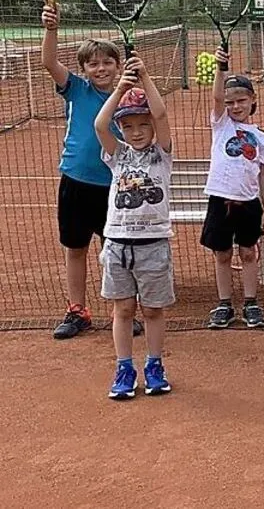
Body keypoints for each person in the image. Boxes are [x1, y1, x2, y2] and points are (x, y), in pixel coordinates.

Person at [40, 4, 143, 340]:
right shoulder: (76, 89)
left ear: (118, 66)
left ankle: (123, 311)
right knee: (76, 248)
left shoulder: (130, 96)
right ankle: (77, 311)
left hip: (116, 185)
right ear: (83, 69)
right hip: (75, 181)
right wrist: (51, 29)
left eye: (107, 62)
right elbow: (49, 62)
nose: (101, 68)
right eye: (93, 64)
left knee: (118, 250)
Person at [93, 56, 174, 399]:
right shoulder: (118, 155)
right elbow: (100, 124)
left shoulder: (162, 154)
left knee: (153, 310)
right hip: (117, 244)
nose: (137, 132)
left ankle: (154, 365)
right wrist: (121, 88)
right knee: (123, 309)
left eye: (143, 125)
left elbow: (162, 114)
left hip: (153, 244)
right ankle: (124, 367)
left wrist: (145, 78)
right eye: (129, 126)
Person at [201, 48, 264, 330]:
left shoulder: (261, 137)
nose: (235, 106)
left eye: (241, 100)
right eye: (230, 102)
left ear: (253, 100)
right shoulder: (221, 125)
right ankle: (224, 304)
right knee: (222, 254)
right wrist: (221, 68)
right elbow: (217, 97)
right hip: (220, 199)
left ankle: (251, 302)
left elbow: (263, 176)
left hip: (249, 202)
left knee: (249, 252)